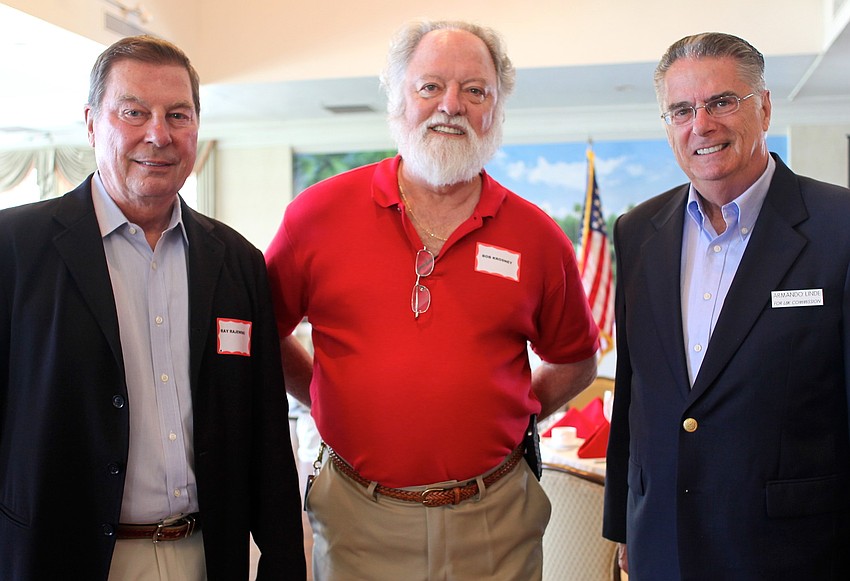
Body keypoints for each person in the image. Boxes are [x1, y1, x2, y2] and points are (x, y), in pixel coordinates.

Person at [265, 19, 599, 581]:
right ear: (398, 99)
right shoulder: (316, 216)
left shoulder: (537, 236)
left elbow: (575, 359)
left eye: (476, 90)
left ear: (496, 108)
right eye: (430, 87)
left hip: (496, 518)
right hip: (357, 518)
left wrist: (514, 413)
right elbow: (263, 330)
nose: (452, 105)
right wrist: (323, 392)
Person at [0, 35, 306, 580]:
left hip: (205, 556)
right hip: (62, 556)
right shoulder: (15, 249)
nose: (158, 134)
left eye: (178, 115)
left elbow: (264, 429)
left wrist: (282, 560)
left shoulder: (236, 261)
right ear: (93, 123)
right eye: (134, 112)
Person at [603, 32, 850, 580]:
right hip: (662, 542)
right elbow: (635, 393)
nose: (702, 124)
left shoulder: (841, 226)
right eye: (682, 109)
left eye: (720, 102)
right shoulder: (637, 231)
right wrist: (624, 523)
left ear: (763, 107)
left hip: (796, 551)